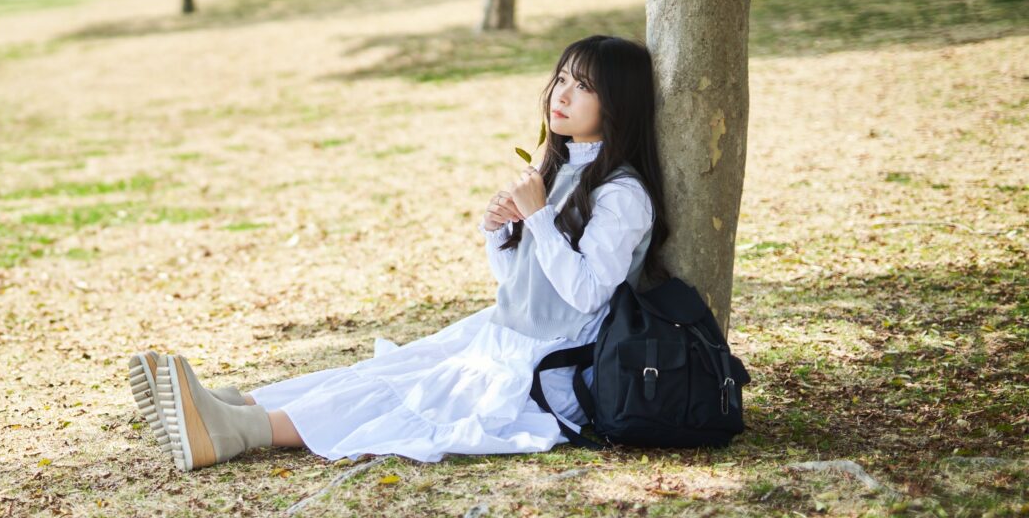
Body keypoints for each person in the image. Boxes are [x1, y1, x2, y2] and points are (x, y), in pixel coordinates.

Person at [129, 34, 669, 471]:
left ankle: (239, 431)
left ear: (617, 104)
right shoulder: (562, 168)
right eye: (561, 78)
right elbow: (519, 284)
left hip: (553, 366)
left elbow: (587, 294)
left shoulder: (621, 194)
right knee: (391, 368)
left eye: (583, 86)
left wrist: (540, 220)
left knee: (412, 390)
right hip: (511, 332)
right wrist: (499, 230)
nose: (562, 94)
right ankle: (231, 405)